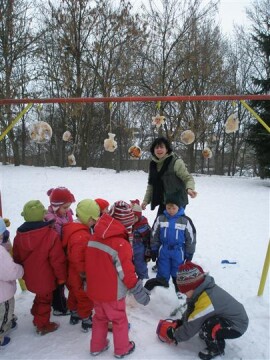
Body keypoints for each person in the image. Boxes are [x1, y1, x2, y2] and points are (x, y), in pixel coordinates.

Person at [85, 200, 151, 358]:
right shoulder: (120, 244)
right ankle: (122, 349)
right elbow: (127, 273)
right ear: (126, 226)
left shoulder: (94, 237)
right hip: (112, 293)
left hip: (94, 290)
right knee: (119, 319)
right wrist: (138, 291)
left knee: (99, 318)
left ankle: (97, 346)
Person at [162, 262, 249, 360]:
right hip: (227, 318)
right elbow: (192, 312)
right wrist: (182, 322)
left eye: (185, 291)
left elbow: (194, 323)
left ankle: (216, 348)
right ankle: (210, 334)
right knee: (205, 320)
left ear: (193, 287)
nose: (184, 294)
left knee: (209, 325)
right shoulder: (200, 292)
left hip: (236, 325)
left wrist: (175, 336)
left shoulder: (207, 300)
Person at [13, 200, 67, 335]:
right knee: (45, 300)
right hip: (46, 278)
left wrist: (23, 273)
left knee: (40, 295)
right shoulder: (50, 235)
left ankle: (36, 312)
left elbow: (17, 257)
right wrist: (61, 277)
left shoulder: (19, 236)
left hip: (30, 276)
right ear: (43, 216)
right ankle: (42, 325)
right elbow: (57, 260)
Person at [144, 192, 196, 297]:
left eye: (173, 208)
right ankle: (163, 292)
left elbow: (191, 238)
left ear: (179, 207)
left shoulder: (185, 221)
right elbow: (154, 234)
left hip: (178, 251)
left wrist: (189, 253)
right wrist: (154, 249)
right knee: (163, 270)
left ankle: (179, 291)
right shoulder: (161, 218)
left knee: (178, 271)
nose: (171, 211)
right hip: (164, 250)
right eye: (168, 208)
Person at [62, 199, 100, 332]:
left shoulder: (72, 228)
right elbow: (78, 258)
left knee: (73, 292)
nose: (94, 222)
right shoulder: (81, 236)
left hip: (71, 272)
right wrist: (85, 273)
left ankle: (74, 313)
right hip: (79, 273)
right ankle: (86, 319)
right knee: (84, 296)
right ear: (86, 218)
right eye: (93, 220)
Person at [141, 136, 197, 216]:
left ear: (167, 149)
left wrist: (190, 188)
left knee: (175, 225)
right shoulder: (153, 165)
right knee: (160, 225)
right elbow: (151, 185)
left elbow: (188, 178)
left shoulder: (176, 162)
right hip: (164, 201)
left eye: (162, 147)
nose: (159, 149)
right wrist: (145, 201)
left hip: (177, 201)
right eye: (156, 147)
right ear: (153, 150)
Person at [45, 186, 76, 316]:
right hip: (56, 257)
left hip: (64, 253)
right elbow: (56, 240)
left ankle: (60, 302)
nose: (67, 210)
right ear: (56, 206)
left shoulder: (65, 214)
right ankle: (59, 307)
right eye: (65, 207)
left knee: (62, 280)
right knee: (59, 282)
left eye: (69, 206)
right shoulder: (52, 221)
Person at [0, 218, 24, 347]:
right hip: (3, 296)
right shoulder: (0, 254)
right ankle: (2, 333)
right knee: (4, 312)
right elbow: (10, 271)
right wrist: (21, 270)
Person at [131, 201, 151, 280]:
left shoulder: (144, 226)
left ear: (138, 217)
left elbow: (150, 240)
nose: (132, 220)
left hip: (140, 252)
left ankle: (143, 280)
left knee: (140, 267)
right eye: (130, 217)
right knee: (129, 267)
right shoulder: (126, 225)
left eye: (134, 217)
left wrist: (148, 252)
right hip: (129, 251)